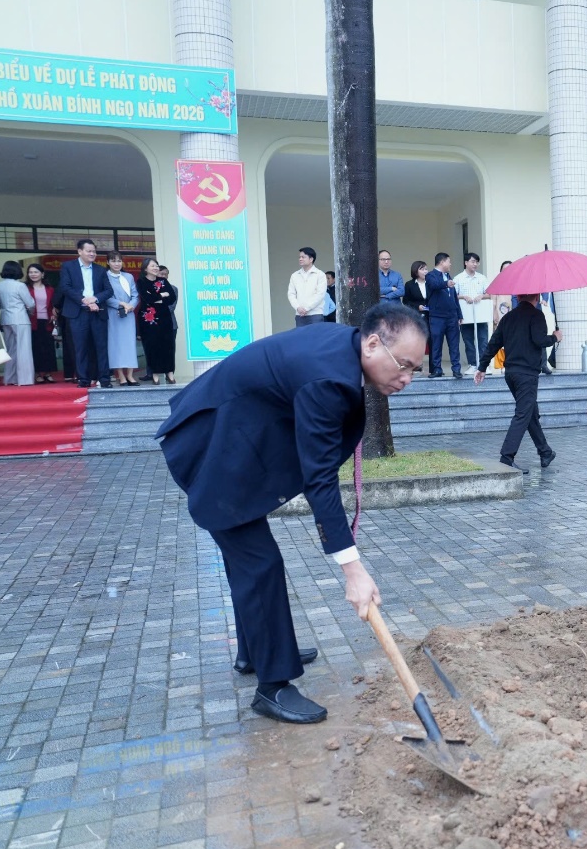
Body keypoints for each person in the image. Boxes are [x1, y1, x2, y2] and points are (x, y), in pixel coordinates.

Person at [157, 302, 429, 724]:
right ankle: (274, 686)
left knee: (250, 562)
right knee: (260, 563)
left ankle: (258, 651)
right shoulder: (327, 377)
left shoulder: (343, 349)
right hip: (212, 450)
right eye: (404, 366)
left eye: (415, 370)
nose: (407, 379)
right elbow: (319, 478)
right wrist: (353, 570)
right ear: (373, 343)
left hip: (236, 443)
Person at [475, 293, 561, 472]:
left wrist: (482, 367)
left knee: (530, 413)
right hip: (527, 375)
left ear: (519, 297)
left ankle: (545, 452)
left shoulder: (508, 317)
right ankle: (507, 457)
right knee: (523, 414)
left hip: (511, 374)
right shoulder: (537, 315)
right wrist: (554, 337)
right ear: (536, 297)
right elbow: (540, 340)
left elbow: (494, 343)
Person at [58, 238, 114, 388]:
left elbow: (109, 291)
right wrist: (84, 300)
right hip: (77, 312)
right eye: (89, 251)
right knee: (80, 347)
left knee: (101, 347)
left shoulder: (100, 269)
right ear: (80, 251)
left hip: (98, 311)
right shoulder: (68, 267)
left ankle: (104, 379)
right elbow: (65, 287)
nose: (92, 254)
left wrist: (95, 299)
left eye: (94, 251)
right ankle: (83, 379)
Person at [137, 258, 179, 385]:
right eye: (152, 266)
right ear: (145, 269)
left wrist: (159, 298)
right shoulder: (141, 282)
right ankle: (155, 374)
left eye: (156, 266)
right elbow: (148, 298)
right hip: (148, 320)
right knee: (152, 346)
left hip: (165, 318)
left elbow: (171, 298)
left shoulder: (163, 281)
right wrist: (162, 295)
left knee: (168, 345)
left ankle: (170, 373)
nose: (155, 268)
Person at [0, 261, 36, 386]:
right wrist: (31, 312)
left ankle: (10, 378)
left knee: (10, 350)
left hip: (6, 319)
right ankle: (25, 379)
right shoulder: (20, 286)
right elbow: (30, 304)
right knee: (24, 349)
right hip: (21, 319)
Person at [424, 252, 463, 378]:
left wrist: (459, 314)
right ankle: (437, 369)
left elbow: (454, 298)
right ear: (442, 262)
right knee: (436, 343)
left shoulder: (448, 276)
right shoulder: (430, 275)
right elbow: (434, 285)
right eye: (449, 261)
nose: (450, 264)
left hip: (452, 316)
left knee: (454, 344)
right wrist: (446, 284)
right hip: (437, 316)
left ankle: (456, 369)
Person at [105, 252, 139, 386]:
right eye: (113, 261)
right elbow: (105, 297)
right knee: (115, 345)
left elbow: (135, 295)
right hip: (113, 314)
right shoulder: (105, 276)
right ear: (108, 262)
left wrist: (130, 306)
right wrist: (121, 304)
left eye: (119, 261)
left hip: (128, 314)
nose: (117, 264)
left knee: (129, 344)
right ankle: (120, 375)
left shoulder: (128, 276)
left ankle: (130, 375)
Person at [456, 252, 493, 366]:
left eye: (477, 262)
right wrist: (463, 297)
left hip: (481, 314)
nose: (475, 264)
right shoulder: (458, 278)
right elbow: (453, 296)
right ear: (466, 262)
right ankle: (472, 365)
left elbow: (489, 294)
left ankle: (483, 365)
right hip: (465, 315)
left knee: (483, 340)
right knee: (468, 341)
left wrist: (482, 296)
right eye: (473, 261)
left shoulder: (482, 278)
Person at [26, 264, 60, 383]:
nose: (33, 274)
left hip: (47, 321)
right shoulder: (26, 288)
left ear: (42, 274)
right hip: (32, 321)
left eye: (36, 272)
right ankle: (37, 373)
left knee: (48, 347)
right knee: (35, 347)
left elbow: (53, 304)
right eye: (31, 272)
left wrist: (54, 312)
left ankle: (48, 372)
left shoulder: (50, 289)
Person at [403, 260, 430, 373]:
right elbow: (406, 302)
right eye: (422, 269)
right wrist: (417, 306)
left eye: (426, 269)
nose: (425, 271)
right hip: (416, 316)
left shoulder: (430, 283)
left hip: (431, 315)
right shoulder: (409, 285)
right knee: (417, 340)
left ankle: (434, 367)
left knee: (431, 340)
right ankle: (417, 365)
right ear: (416, 271)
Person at [287, 246, 325, 327]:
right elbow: (291, 294)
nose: (300, 259)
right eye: (299, 257)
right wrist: (298, 308)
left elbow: (320, 294)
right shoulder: (295, 275)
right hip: (300, 315)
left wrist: (307, 308)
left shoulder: (320, 274)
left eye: (303, 257)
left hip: (315, 314)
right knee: (301, 339)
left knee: (316, 338)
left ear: (311, 259)